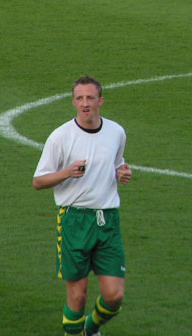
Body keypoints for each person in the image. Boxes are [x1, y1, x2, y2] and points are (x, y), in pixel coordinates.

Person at [33, 75, 133, 335]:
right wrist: (67, 172)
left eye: (90, 98)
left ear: (100, 101)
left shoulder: (116, 132)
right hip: (74, 221)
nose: (85, 103)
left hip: (108, 220)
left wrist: (121, 173)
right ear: (73, 102)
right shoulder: (60, 137)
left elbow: (116, 164)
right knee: (77, 298)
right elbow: (38, 181)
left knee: (114, 296)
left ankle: (90, 328)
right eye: (79, 98)